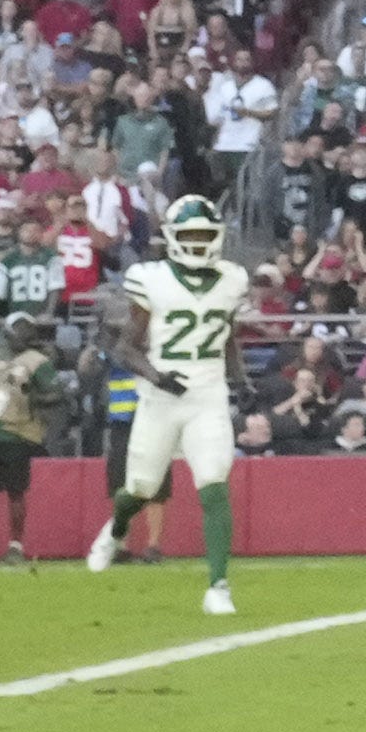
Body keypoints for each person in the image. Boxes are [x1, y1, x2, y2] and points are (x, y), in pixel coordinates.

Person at [87, 195, 252, 617]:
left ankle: (218, 585)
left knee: (214, 484)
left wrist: (241, 378)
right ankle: (117, 528)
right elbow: (126, 347)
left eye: (204, 235)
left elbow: (226, 335)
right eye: (190, 235)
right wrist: (160, 377)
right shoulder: (151, 278)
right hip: (161, 397)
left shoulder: (231, 280)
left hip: (208, 395)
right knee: (140, 488)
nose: (197, 242)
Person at [0, 312, 67, 566]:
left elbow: (55, 395)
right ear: (8, 334)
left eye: (27, 331)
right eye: (19, 331)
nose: (24, 336)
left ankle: (16, 545)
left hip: (18, 433)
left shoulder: (37, 362)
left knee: (15, 493)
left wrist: (32, 396)